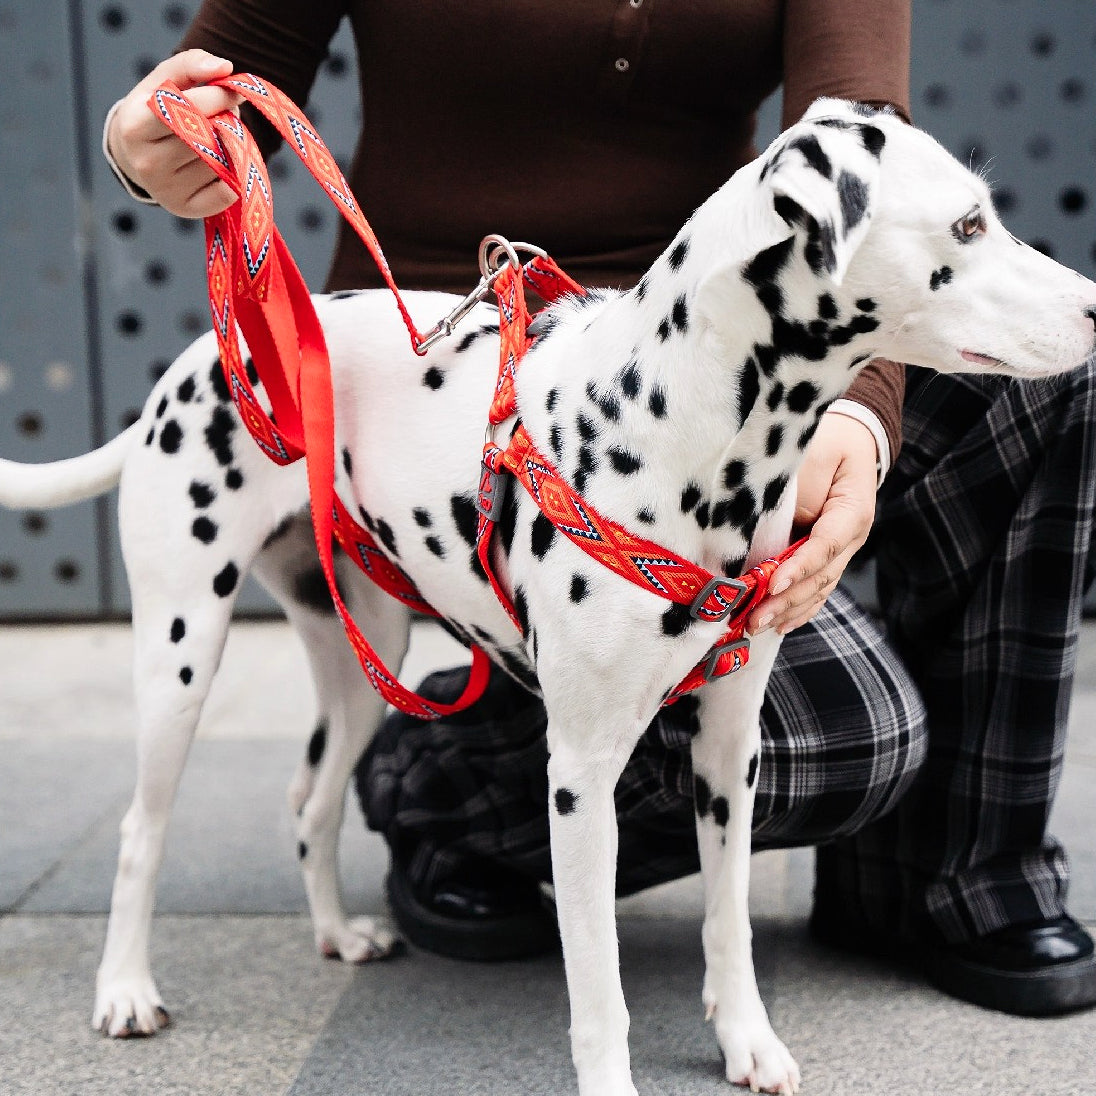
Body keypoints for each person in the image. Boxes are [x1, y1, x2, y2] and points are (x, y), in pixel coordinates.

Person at [103, 0, 1096, 1016]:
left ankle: (962, 869)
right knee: (836, 738)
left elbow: (867, 142)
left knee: (1048, 376)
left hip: (728, 351)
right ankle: (443, 782)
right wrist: (149, 138)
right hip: (451, 388)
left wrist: (861, 417)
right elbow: (224, 78)